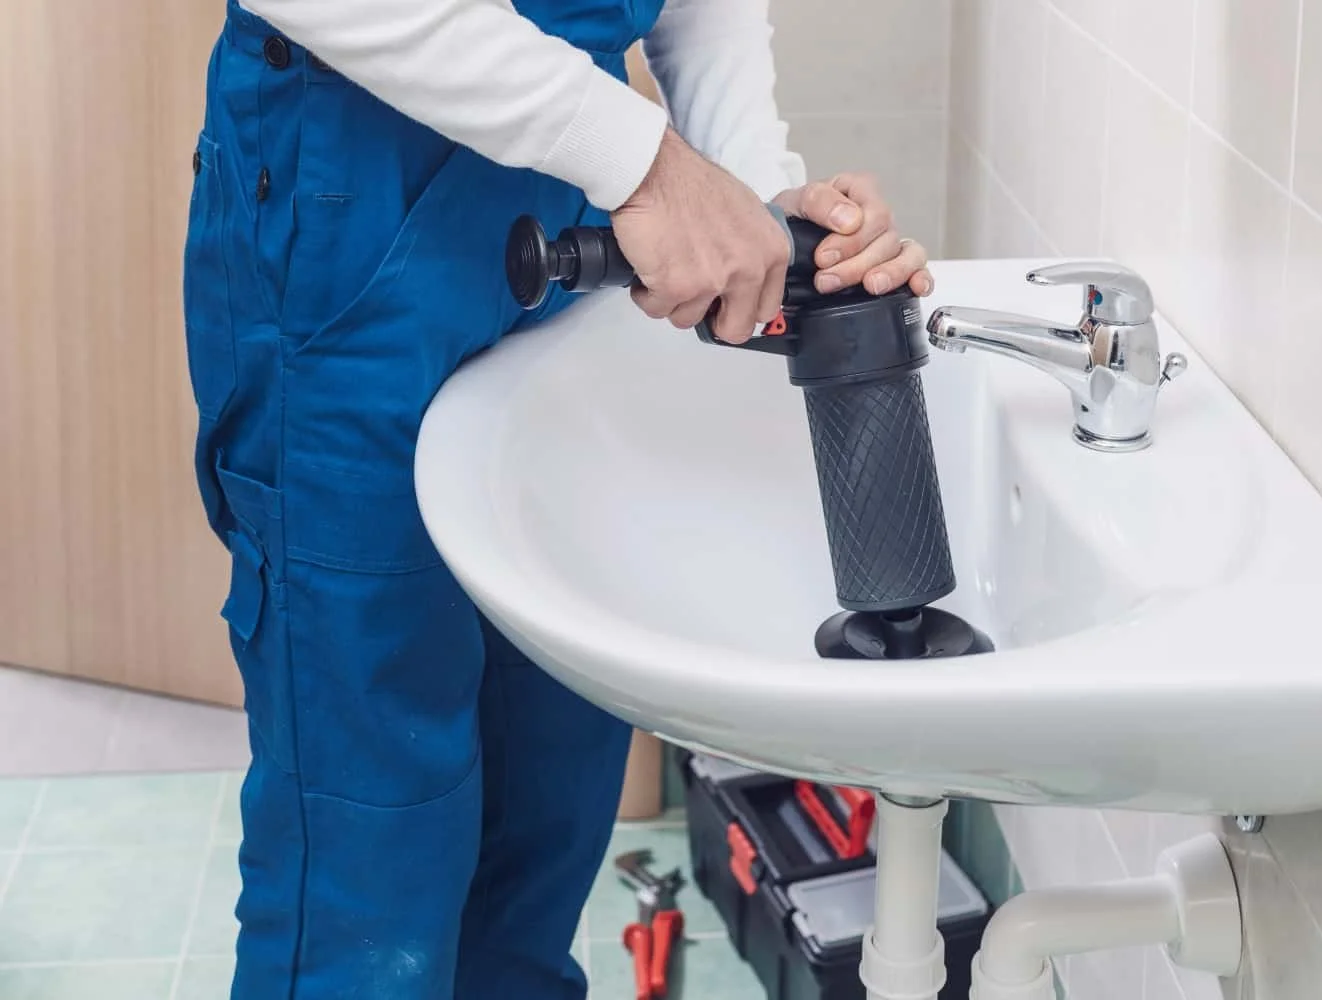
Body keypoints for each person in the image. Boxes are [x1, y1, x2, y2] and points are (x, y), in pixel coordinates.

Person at [181, 1, 933, 997]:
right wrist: (650, 165)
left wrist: (751, 202)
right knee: (370, 859)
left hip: (568, 210)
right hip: (355, 209)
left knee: (544, 813)